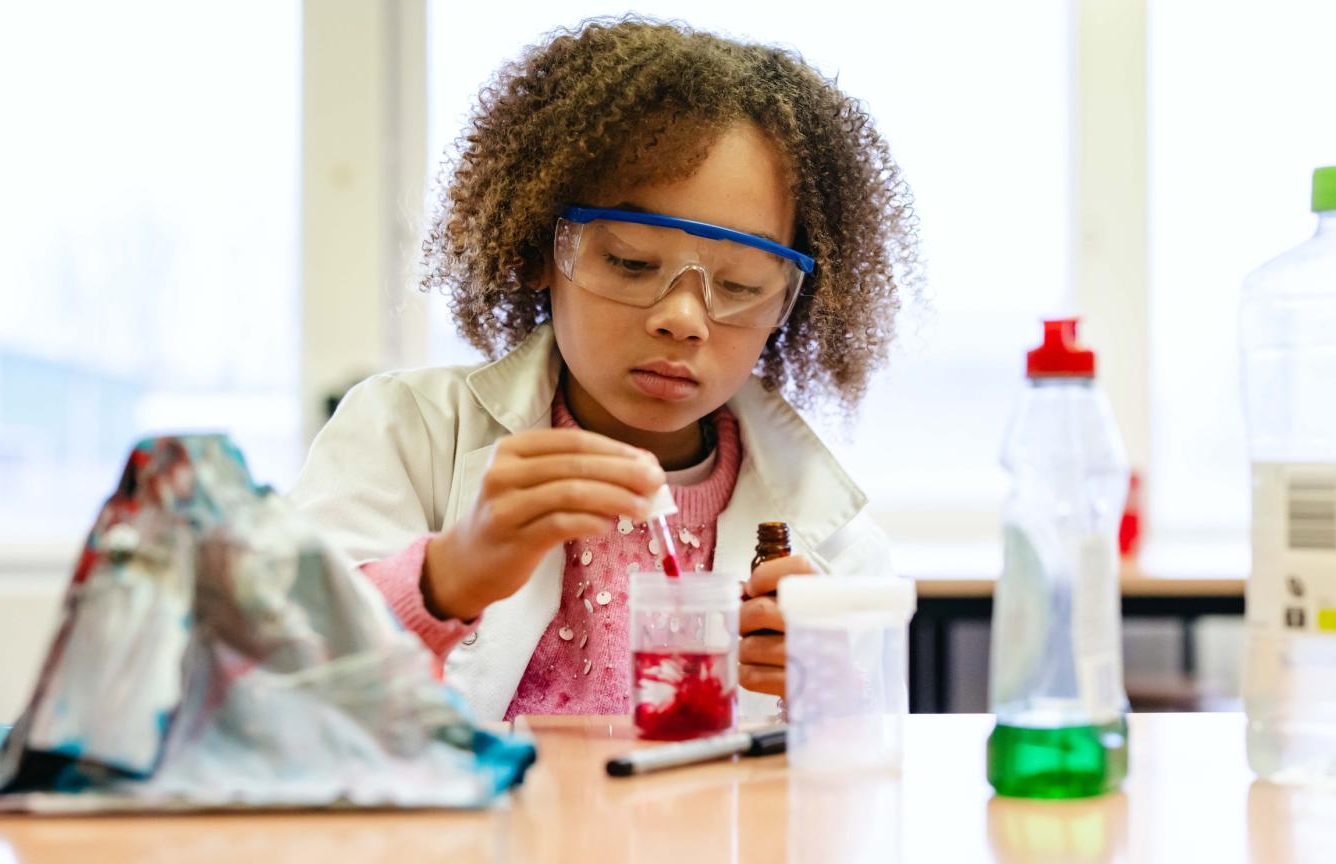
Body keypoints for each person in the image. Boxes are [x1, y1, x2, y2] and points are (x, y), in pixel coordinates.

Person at [289, 16, 920, 724]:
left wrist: (826, 693)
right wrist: (446, 580)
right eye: (628, 261)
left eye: (740, 284)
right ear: (535, 248)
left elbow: (855, 790)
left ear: (790, 307)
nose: (683, 317)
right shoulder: (405, 439)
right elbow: (278, 693)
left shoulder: (833, 540)